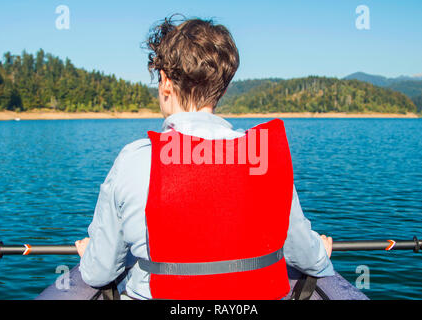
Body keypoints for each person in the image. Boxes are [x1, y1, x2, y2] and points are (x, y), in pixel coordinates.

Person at [75, 16, 334, 300]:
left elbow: (99, 272)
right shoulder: (263, 156)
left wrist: (90, 255)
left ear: (165, 83)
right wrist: (320, 252)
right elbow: (304, 254)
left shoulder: (134, 161)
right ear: (222, 88)